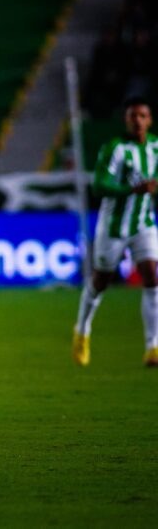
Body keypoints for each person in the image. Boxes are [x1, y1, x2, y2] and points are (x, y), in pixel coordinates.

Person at [73, 97, 158, 367]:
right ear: (126, 119)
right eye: (133, 116)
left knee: (152, 276)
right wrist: (131, 190)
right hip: (113, 226)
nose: (137, 121)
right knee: (101, 281)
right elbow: (99, 185)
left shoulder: (156, 147)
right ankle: (82, 331)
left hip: (144, 222)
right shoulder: (115, 149)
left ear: (150, 120)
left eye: (142, 116)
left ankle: (152, 346)